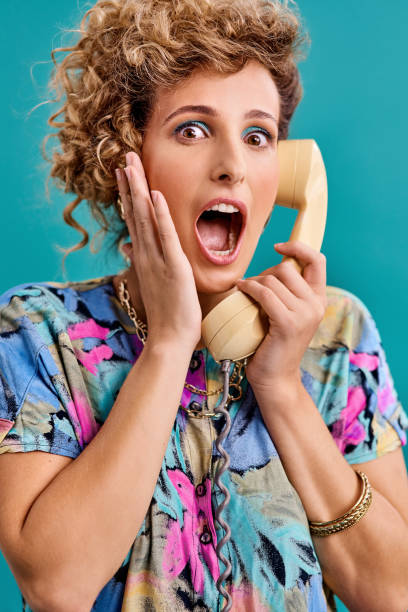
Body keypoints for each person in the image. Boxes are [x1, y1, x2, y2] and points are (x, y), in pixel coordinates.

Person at [0, 0, 407, 610]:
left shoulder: (338, 332)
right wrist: (167, 346)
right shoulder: (37, 332)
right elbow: (56, 584)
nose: (232, 167)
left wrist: (283, 389)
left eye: (257, 135)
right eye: (192, 129)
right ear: (125, 160)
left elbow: (392, 591)